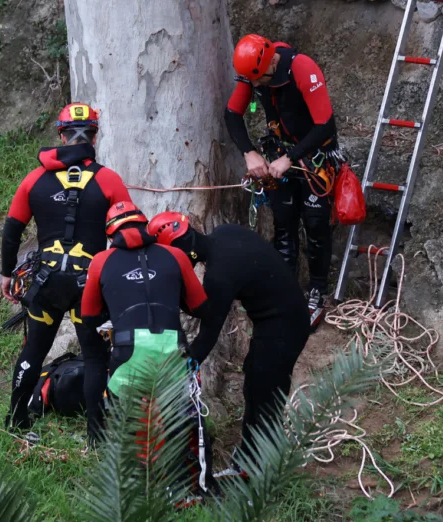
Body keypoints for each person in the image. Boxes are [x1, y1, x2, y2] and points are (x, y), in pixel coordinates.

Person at [0, 103, 132, 432]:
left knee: (34, 351)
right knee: (95, 358)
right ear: (94, 136)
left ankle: (16, 423)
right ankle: (96, 436)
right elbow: (128, 233)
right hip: (88, 287)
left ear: (61, 135)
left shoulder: (34, 180)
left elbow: (12, 230)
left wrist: (6, 273)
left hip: (45, 284)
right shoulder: (109, 180)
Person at [147, 212, 310, 472]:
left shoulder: (219, 276)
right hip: (288, 316)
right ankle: (250, 459)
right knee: (255, 386)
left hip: (284, 326)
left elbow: (207, 333)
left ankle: (259, 471)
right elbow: (207, 307)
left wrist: (183, 368)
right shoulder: (225, 233)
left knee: (263, 396)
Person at [81, 202, 214, 495]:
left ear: (110, 233)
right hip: (172, 353)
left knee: (127, 422)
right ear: (145, 226)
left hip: (128, 355)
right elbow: (201, 307)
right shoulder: (175, 255)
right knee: (180, 420)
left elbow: (88, 317)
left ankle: (134, 484)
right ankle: (186, 485)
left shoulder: (101, 261)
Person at [225, 33, 342, 329]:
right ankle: (285, 289)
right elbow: (233, 114)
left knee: (316, 225)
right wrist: (249, 152)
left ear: (272, 63)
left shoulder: (301, 68)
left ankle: (317, 291)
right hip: (279, 154)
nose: (255, 87)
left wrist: (291, 158)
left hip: (314, 156)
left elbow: (325, 124)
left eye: (259, 81)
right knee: (283, 223)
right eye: (251, 81)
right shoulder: (253, 73)